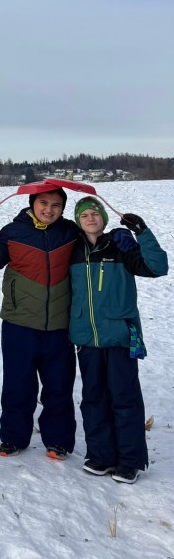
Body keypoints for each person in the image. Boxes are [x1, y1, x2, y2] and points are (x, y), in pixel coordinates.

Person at [0, 187, 78, 459]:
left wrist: (118, 235)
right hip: (19, 322)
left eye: (56, 205)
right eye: (43, 203)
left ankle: (58, 440)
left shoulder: (70, 232)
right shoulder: (14, 231)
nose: (49, 210)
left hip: (60, 324)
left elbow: (93, 243)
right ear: (32, 204)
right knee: (18, 384)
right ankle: (13, 437)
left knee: (59, 385)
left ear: (63, 208)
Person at [69, 200, 168, 484]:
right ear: (78, 221)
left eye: (95, 214)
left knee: (124, 398)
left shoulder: (120, 246)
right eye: (84, 215)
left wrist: (142, 233)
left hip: (119, 335)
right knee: (93, 398)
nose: (90, 218)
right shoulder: (73, 250)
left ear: (103, 218)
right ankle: (100, 455)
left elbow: (158, 267)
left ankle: (130, 460)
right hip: (86, 337)